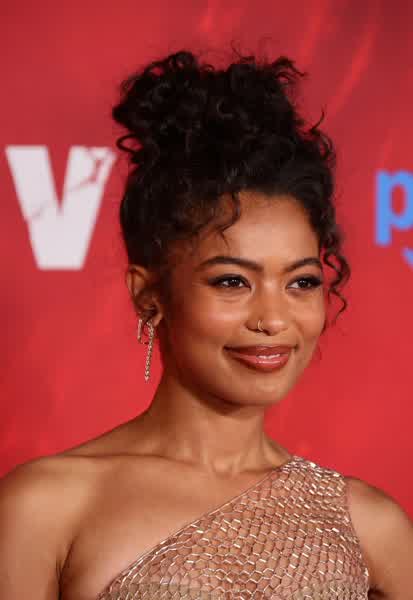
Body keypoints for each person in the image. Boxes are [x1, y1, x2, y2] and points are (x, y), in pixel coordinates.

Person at [0, 49, 412, 600]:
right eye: (232, 281)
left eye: (301, 282)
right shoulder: (45, 506)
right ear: (149, 295)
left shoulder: (372, 528)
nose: (274, 319)